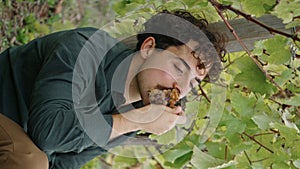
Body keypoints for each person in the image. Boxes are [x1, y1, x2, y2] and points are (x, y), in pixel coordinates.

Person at [0, 10, 226, 169]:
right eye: (178, 68)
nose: (182, 87)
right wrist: (132, 121)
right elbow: (48, 134)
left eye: (193, 83)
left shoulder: (135, 109)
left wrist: (132, 120)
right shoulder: (86, 48)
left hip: (21, 143)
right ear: (148, 48)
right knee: (30, 161)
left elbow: (63, 163)